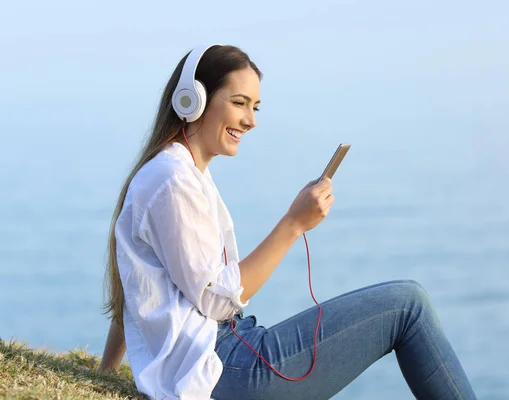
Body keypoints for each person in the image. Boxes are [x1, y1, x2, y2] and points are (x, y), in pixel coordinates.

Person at [98, 44, 478, 400]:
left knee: (406, 302)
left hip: (227, 356)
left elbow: (136, 289)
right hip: (226, 369)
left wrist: (105, 372)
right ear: (192, 100)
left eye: (255, 108)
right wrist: (293, 224)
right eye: (239, 103)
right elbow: (215, 301)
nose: (250, 120)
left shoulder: (179, 172)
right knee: (407, 304)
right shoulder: (172, 180)